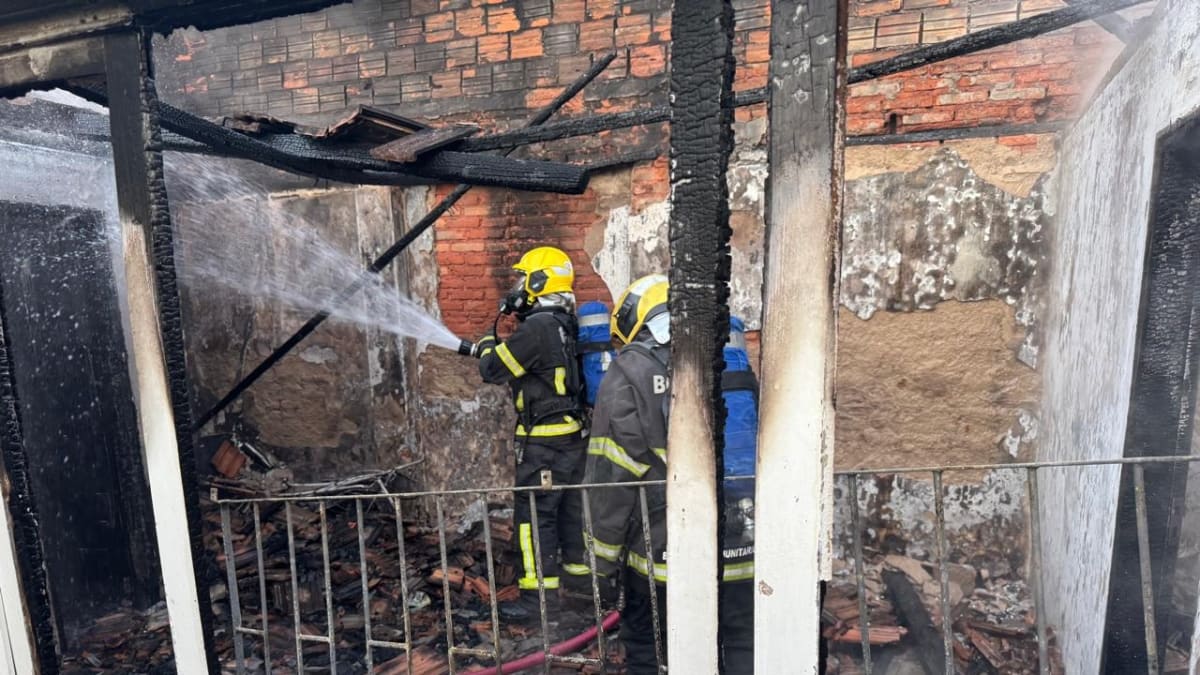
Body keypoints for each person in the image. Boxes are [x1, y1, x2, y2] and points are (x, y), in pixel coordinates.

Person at [583, 274, 756, 675]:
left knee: (651, 650)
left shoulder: (632, 371)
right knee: (741, 645)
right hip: (744, 549)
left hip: (665, 556)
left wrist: (600, 565)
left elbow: (611, 478)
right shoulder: (731, 360)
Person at [475, 246, 589, 626]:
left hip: (543, 445)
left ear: (539, 282)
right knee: (571, 514)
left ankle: (537, 601)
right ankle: (581, 593)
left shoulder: (538, 328)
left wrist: (488, 346)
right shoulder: (565, 322)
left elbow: (493, 368)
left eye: (524, 279)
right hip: (572, 440)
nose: (518, 287)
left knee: (534, 519)